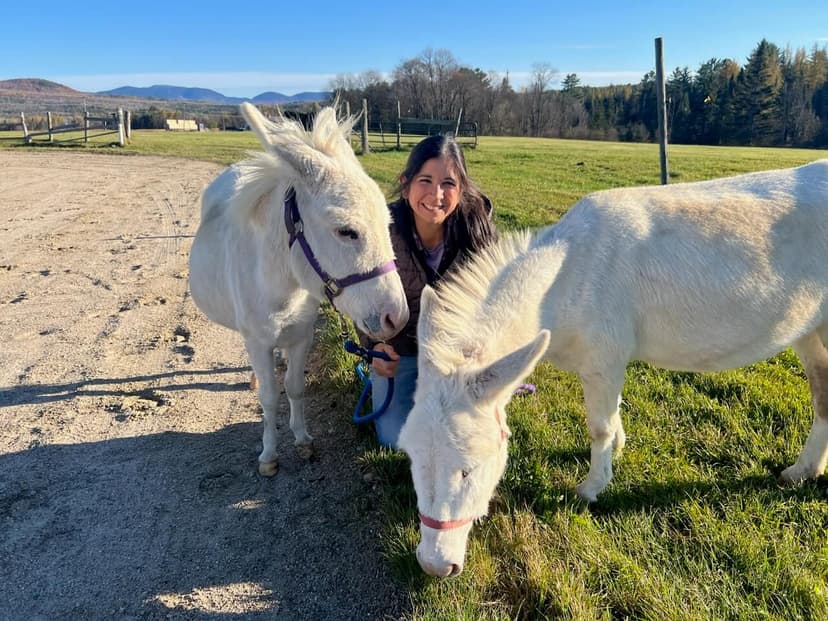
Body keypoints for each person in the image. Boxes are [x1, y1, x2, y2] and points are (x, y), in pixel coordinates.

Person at [358, 133, 498, 448]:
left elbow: (498, 302)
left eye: (448, 183)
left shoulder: (478, 232)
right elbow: (364, 298)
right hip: (402, 351)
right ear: (405, 184)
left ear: (462, 189)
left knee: (464, 432)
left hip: (456, 356)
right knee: (396, 438)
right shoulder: (381, 231)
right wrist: (374, 347)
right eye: (425, 180)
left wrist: (481, 354)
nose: (436, 195)